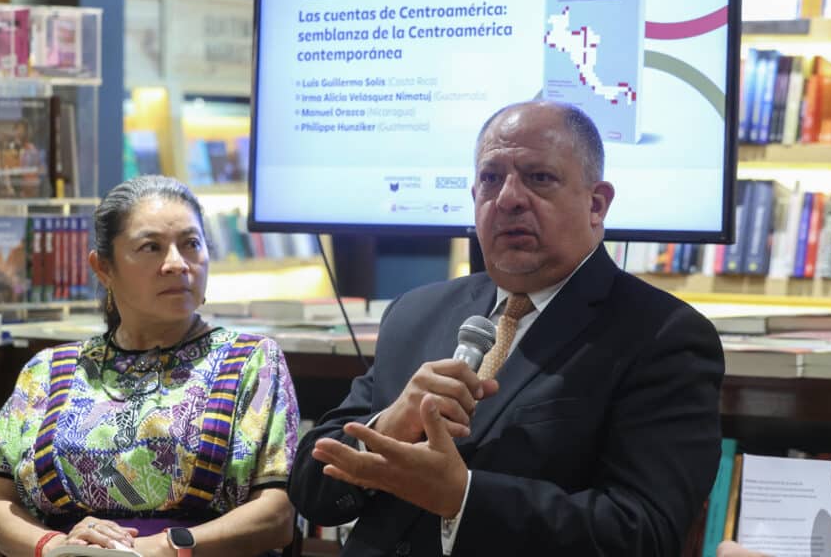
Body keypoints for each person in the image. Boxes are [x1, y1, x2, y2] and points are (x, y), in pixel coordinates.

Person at [287, 100, 725, 555]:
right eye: (491, 179)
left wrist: (463, 498)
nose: (509, 198)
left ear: (596, 204)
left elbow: (644, 533)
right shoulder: (416, 313)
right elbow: (312, 492)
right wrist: (394, 423)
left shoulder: (664, 336)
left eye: (539, 178)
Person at [0, 175, 299, 556]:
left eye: (191, 244)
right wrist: (55, 547)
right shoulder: (47, 369)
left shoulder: (252, 362)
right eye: (151, 247)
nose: (177, 264)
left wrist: (162, 547)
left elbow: (278, 515)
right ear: (104, 268)